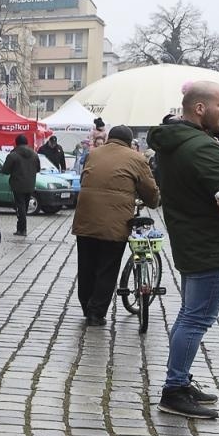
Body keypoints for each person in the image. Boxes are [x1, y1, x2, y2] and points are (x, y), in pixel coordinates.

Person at [148, 79, 219, 419]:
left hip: (193, 240)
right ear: (200, 108)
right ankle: (174, 389)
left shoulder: (177, 142)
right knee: (196, 318)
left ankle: (180, 381)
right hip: (210, 244)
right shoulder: (201, 147)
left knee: (190, 314)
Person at [71, 126, 159, 327]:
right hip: (114, 224)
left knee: (86, 265)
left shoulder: (93, 154)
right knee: (107, 267)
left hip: (85, 219)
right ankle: (96, 313)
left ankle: (86, 306)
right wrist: (154, 201)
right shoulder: (136, 158)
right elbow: (149, 190)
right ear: (129, 142)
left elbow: (86, 179)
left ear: (110, 139)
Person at [1, 134, 39, 237]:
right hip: (30, 184)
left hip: (17, 184)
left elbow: (5, 170)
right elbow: (38, 169)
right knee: (24, 207)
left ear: (16, 143)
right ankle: (21, 229)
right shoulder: (35, 155)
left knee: (20, 206)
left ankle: (22, 229)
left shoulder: (13, 155)